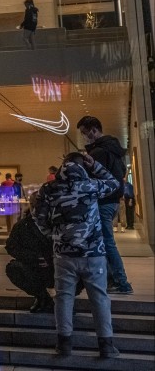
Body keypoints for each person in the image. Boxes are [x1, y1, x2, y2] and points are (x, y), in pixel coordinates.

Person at [35, 151, 121, 358]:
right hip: (94, 253)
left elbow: (39, 217)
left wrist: (55, 235)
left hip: (63, 254)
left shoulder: (49, 188)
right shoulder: (90, 185)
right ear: (84, 166)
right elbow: (114, 183)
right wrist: (96, 166)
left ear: (63, 166)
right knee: (99, 297)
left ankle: (64, 344)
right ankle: (106, 346)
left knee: (63, 298)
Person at [78, 115, 133, 294]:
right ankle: (112, 280)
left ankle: (121, 282)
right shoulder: (114, 149)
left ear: (94, 130)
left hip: (103, 201)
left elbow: (90, 177)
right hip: (114, 200)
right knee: (105, 242)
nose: (85, 137)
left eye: (85, 133)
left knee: (107, 243)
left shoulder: (99, 153)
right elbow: (122, 172)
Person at [5, 193, 57, 312]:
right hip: (34, 266)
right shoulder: (23, 225)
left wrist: (50, 258)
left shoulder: (56, 223)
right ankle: (42, 297)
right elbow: (11, 246)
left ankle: (58, 300)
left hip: (56, 265)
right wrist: (34, 258)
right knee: (14, 268)